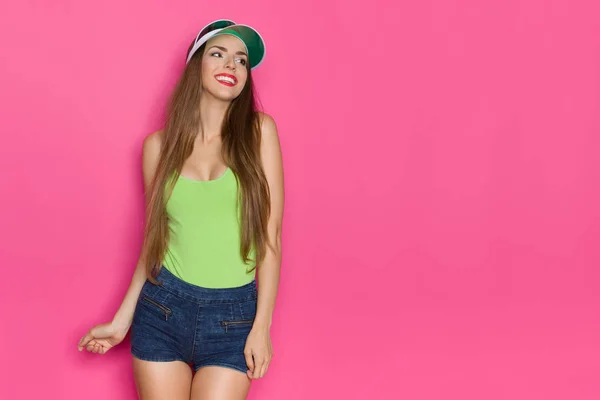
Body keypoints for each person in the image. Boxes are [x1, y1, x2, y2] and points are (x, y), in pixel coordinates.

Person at [77, 19, 284, 399]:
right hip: (163, 309)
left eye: (241, 61)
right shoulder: (157, 147)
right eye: (218, 54)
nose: (231, 66)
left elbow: (270, 237)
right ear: (196, 65)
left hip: (233, 317)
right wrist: (122, 322)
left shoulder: (260, 133)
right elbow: (155, 241)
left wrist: (262, 327)